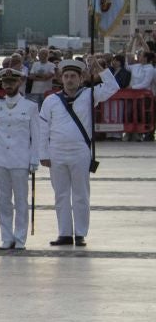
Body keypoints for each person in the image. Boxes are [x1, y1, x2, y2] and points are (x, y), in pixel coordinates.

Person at [38, 57, 119, 246]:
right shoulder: (51, 100)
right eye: (66, 76)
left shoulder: (90, 95)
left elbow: (113, 87)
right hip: (56, 152)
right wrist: (43, 154)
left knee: (81, 194)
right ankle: (64, 233)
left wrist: (99, 68)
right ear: (61, 78)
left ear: (81, 78)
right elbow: (43, 129)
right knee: (61, 194)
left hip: (80, 151)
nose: (69, 79)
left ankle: (80, 233)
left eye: (73, 76)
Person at [0, 66, 40, 250]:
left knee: (21, 200)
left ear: (20, 82)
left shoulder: (30, 106)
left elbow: (36, 135)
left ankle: (20, 237)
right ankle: (6, 237)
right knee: (3, 201)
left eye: (12, 81)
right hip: (0, 158)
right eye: (5, 82)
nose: (8, 85)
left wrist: (34, 159)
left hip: (20, 159)